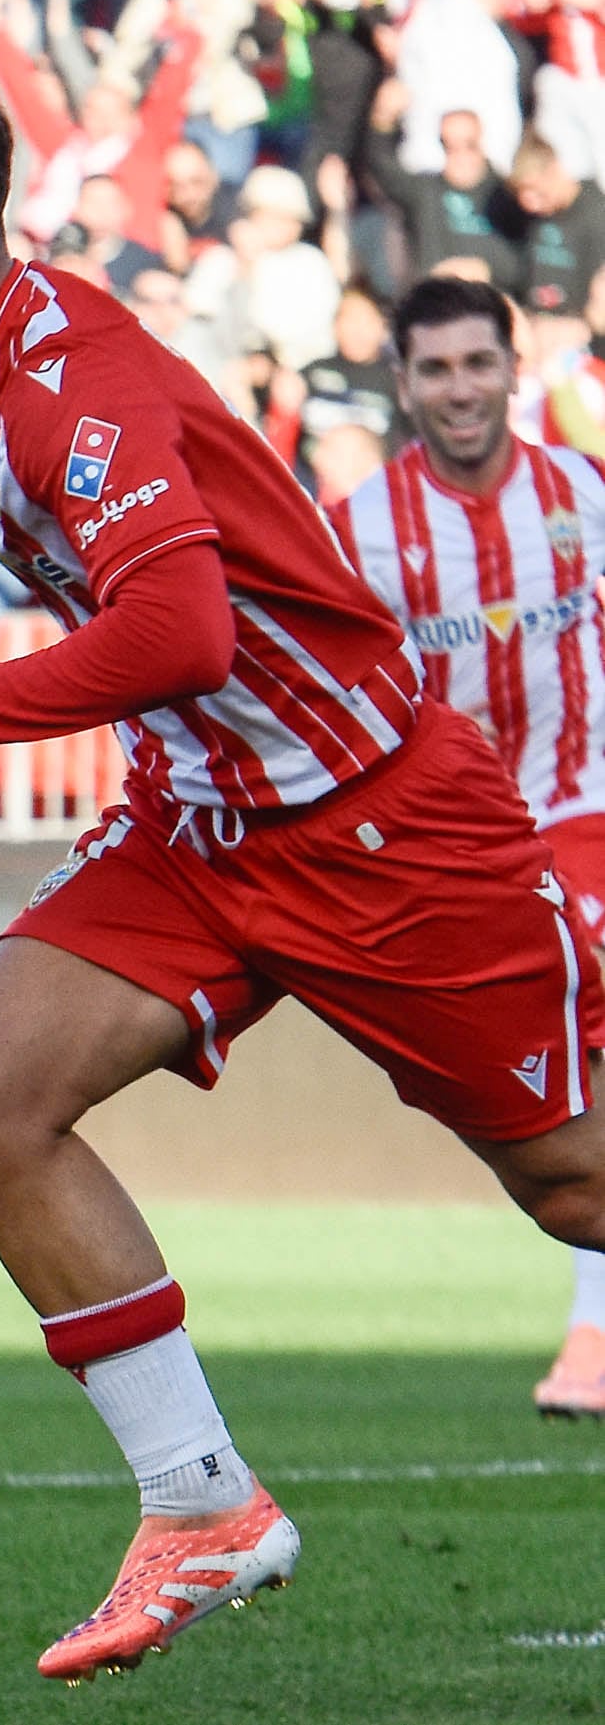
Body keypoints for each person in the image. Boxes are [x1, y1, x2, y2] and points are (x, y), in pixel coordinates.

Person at [0, 40, 605, 1680]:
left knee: (568, 1182)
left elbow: (179, 622)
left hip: (372, 823)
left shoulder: (60, 378)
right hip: (201, 818)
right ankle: (198, 1500)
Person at [321, 275, 605, 1418]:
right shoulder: (359, 532)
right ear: (401, 382)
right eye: (434, 368)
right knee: (551, 1099)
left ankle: (589, 1338)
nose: (459, 388)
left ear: (513, 364)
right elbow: (336, 695)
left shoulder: (582, 493)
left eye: (476, 363)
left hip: (585, 808)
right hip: (459, 853)